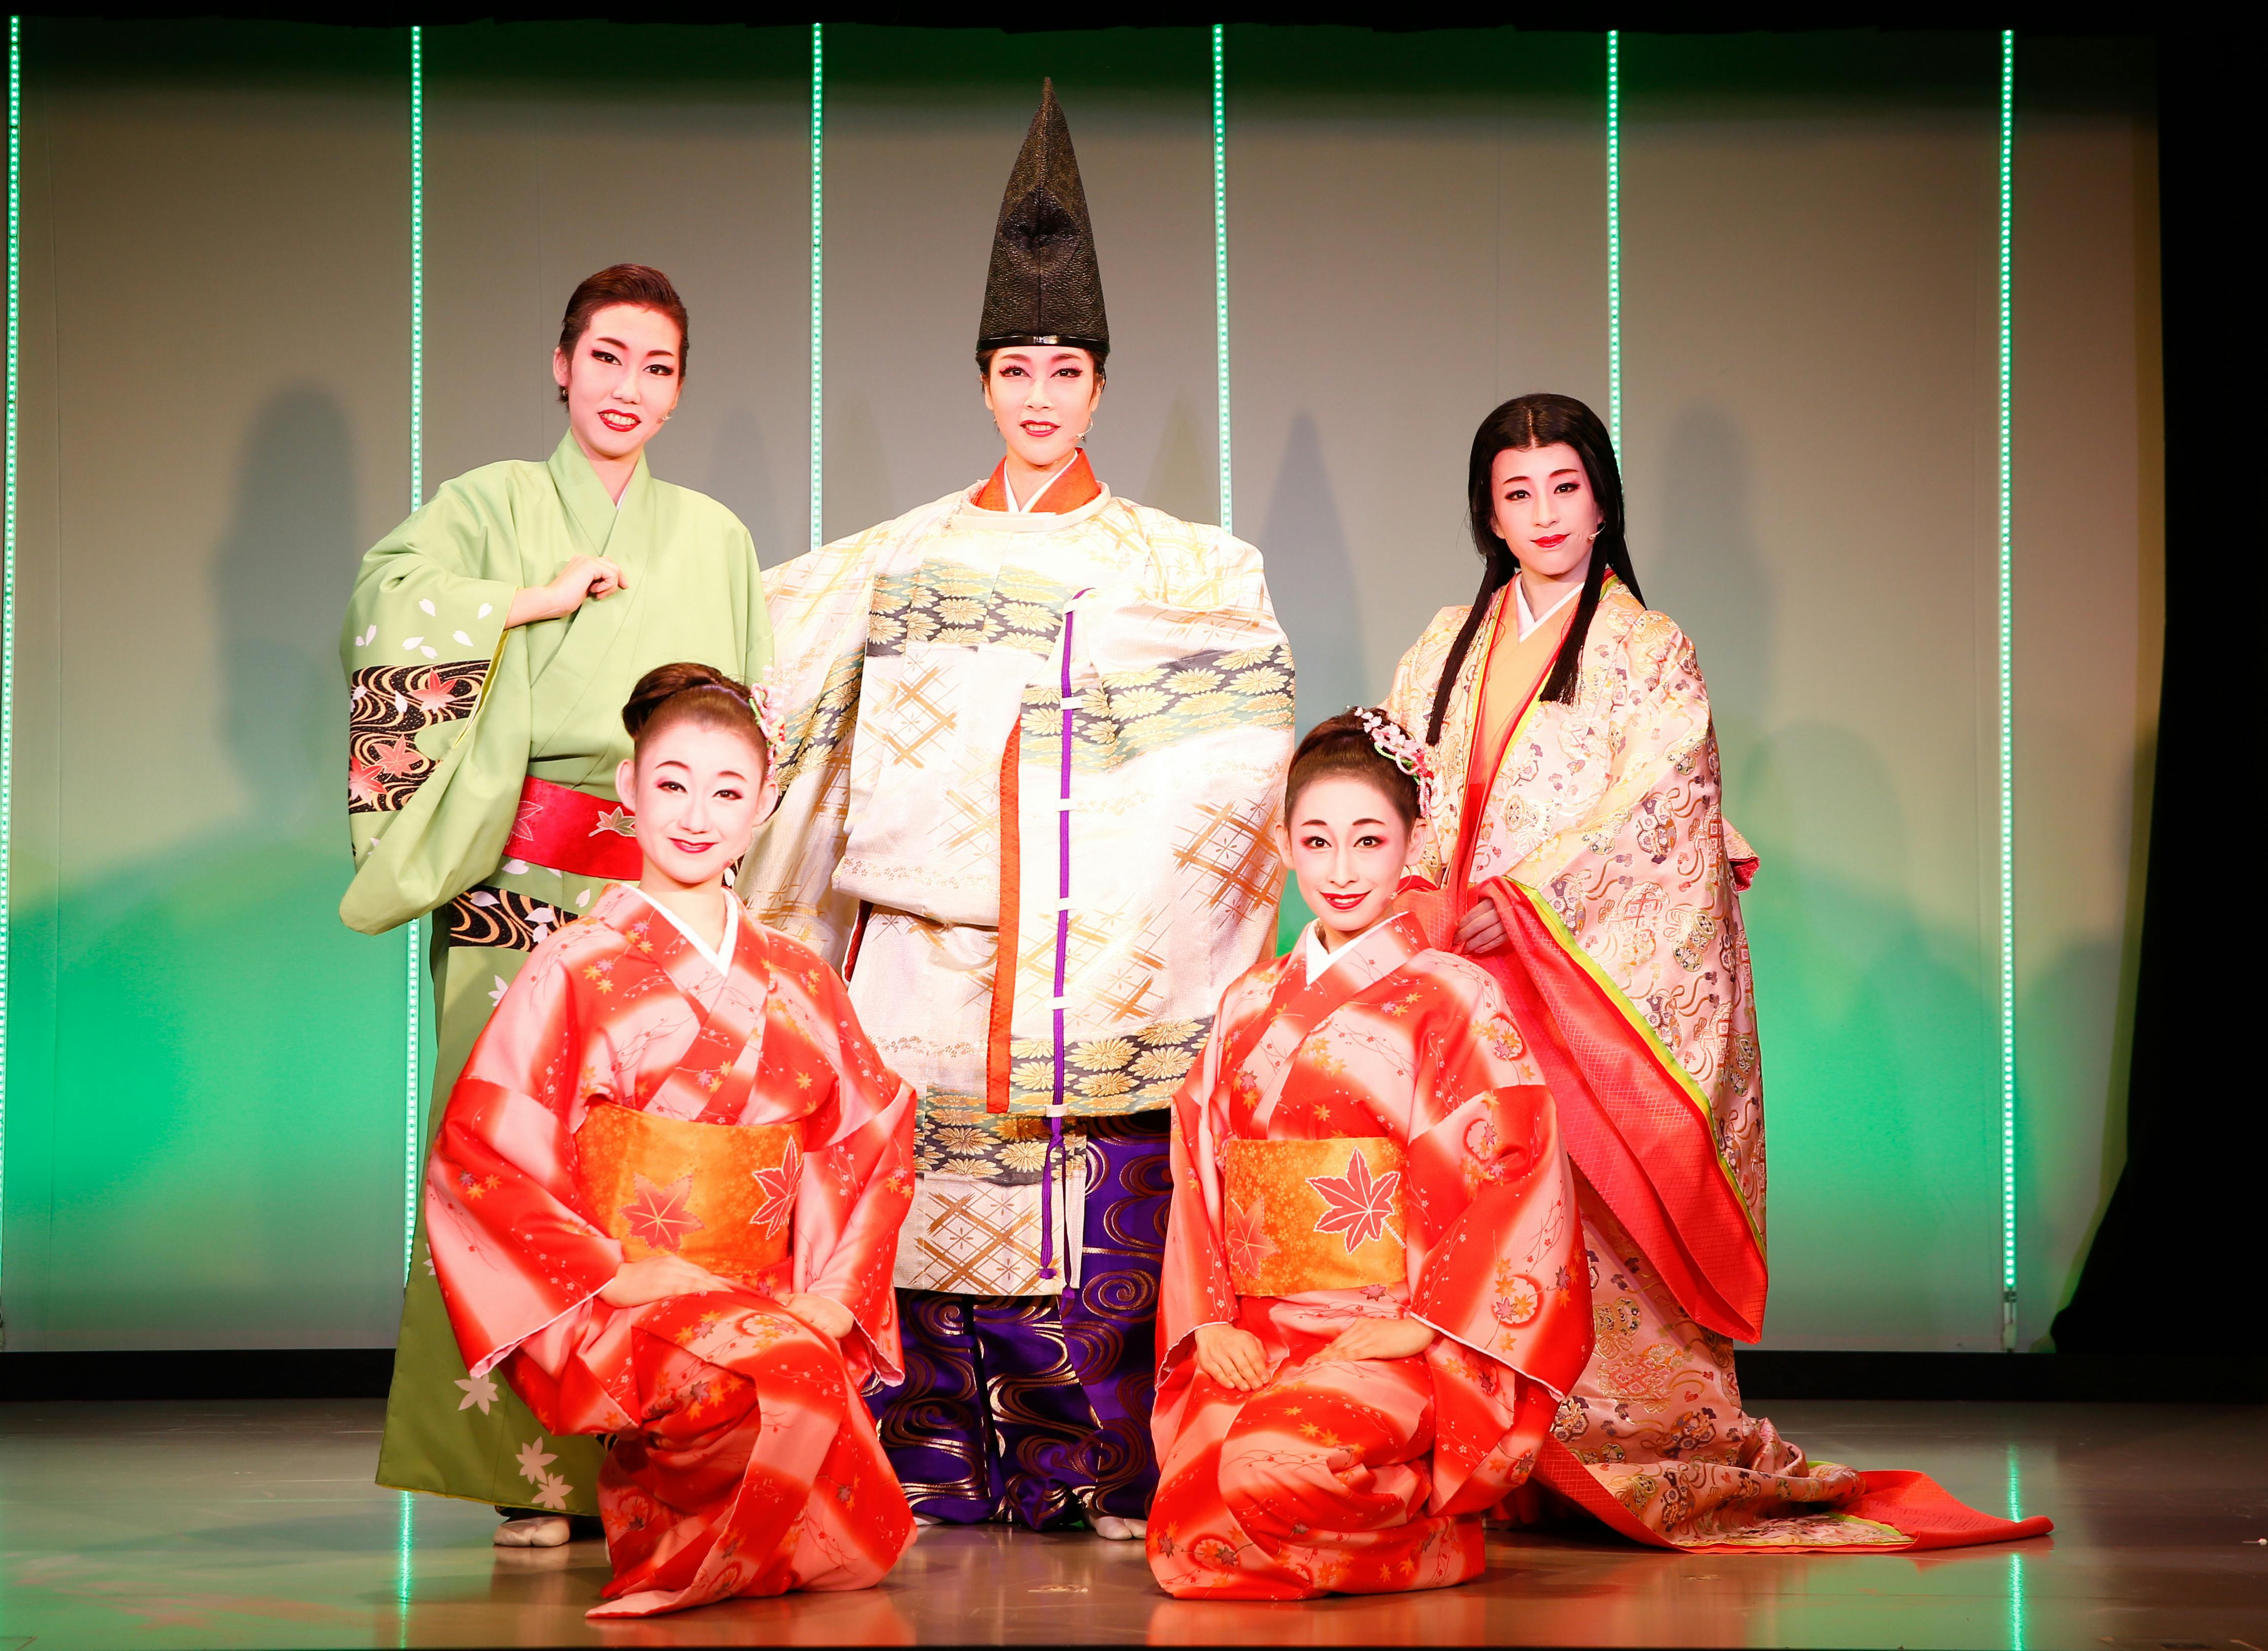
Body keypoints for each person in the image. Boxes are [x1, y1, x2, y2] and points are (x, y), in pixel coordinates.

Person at [737, 81, 1291, 1539]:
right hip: (920, 948)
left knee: (1080, 1227)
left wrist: (1086, 802)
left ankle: (1090, 1464)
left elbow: (1242, 749)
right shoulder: (894, 558)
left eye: (1066, 369)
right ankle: (925, 1460)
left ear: (1101, 388)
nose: (1040, 395)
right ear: (983, 383)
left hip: (1094, 969)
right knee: (921, 1216)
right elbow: (755, 666)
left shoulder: (1189, 567)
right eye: (1016, 368)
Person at [1384, 393, 2048, 1552]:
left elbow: (1659, 812)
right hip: (1465, 980)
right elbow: (1405, 788)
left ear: (1602, 502)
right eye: (1517, 493)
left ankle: (1622, 1439)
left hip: (1581, 986)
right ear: (1488, 515)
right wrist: (1421, 894)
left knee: (1600, 1226)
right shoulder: (1443, 645)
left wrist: (1518, 907)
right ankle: (1489, 1435)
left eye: (1565, 487)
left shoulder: (1649, 650)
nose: (1545, 514)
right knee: (1472, 1210)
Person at [341, 265, 774, 1545]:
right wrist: (527, 601)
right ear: (561, 364)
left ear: (679, 390)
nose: (628, 387)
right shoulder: (487, 506)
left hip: (660, 887)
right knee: (504, 1162)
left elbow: (751, 722)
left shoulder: (716, 538)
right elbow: (386, 604)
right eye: (607, 357)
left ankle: (661, 1453)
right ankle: (520, 1467)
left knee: (649, 1169)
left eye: (657, 367)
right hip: (516, 882)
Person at [425, 663, 917, 1617]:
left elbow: (867, 1139)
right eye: (673, 783)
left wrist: (831, 1292)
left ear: (764, 805)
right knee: (784, 1378)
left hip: (771, 1292)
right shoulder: (573, 963)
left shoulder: (802, 976)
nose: (697, 815)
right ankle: (687, 1538)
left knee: (804, 1400)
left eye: (728, 791)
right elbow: (485, 1148)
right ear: (629, 788)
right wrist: (610, 1268)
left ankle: (707, 1539)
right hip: (630, 1290)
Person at [1145, 709, 1590, 1598]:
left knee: (1269, 1470)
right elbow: (1199, 1170)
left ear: (1411, 845)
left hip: (1385, 1327)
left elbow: (1518, 1172)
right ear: (1286, 846)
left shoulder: (1454, 995)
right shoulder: (1248, 1002)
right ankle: (1388, 1526)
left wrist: (1426, 1323)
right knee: (1186, 1540)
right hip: (1262, 1329)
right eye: (1317, 841)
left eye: (1369, 840)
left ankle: (1429, 1520)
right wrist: (1214, 1320)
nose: (1342, 870)